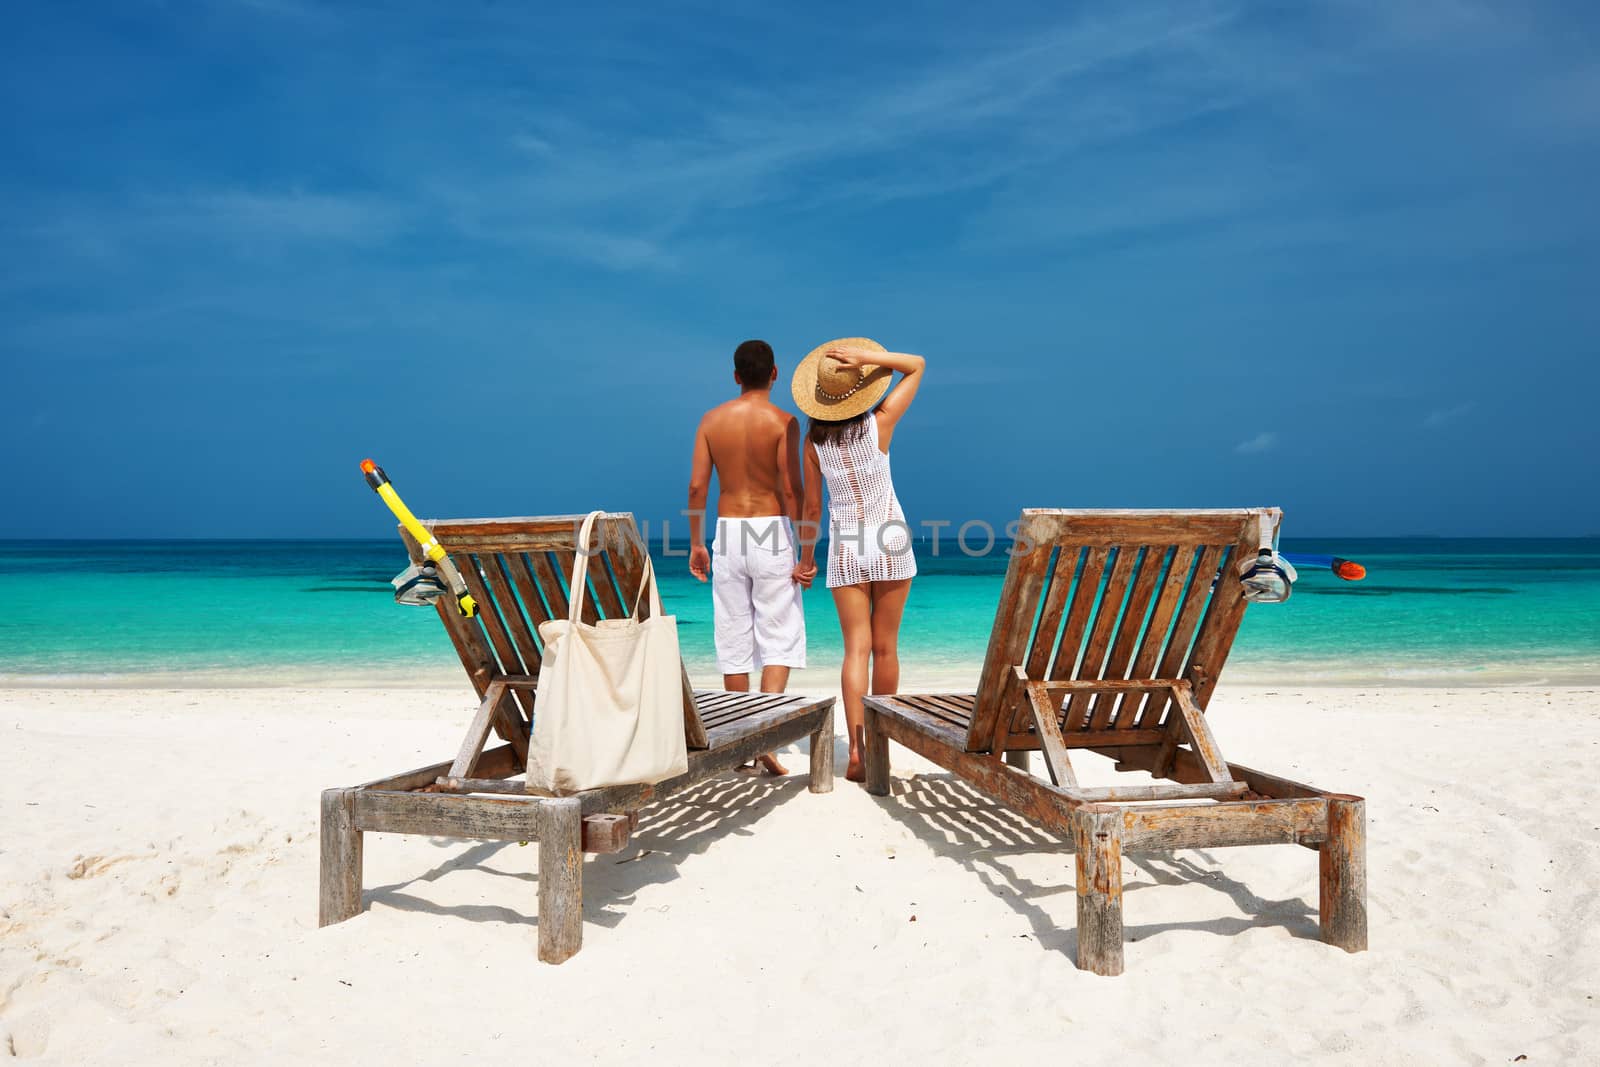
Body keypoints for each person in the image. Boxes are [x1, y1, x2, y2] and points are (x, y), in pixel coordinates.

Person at [791, 338, 925, 783]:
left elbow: (812, 509)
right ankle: (882, 743)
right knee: (886, 648)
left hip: (846, 543)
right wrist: (868, 360)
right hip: (888, 536)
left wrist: (805, 559)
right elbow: (916, 365)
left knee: (856, 650)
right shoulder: (879, 423)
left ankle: (857, 754)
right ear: (859, 390)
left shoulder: (812, 443)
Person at [686, 339, 810, 776]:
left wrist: (698, 543)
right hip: (771, 528)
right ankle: (766, 736)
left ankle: (740, 740)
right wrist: (805, 545)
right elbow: (792, 488)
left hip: (728, 531)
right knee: (779, 630)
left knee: (733, 632)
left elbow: (697, 488)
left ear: (736, 375)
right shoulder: (783, 421)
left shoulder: (711, 421)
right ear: (774, 373)